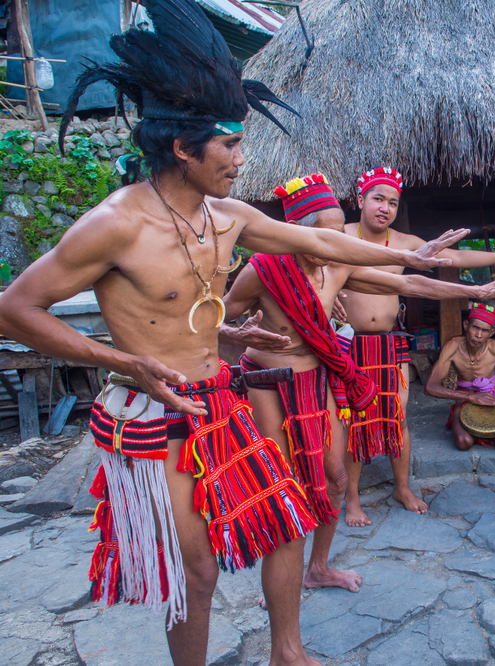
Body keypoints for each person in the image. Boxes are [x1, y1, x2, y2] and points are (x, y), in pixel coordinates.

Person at [0, 3, 462, 664]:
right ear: (185, 148)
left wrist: (409, 258)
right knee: (199, 573)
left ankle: (288, 651)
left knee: (287, 518)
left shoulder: (227, 216)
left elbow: (311, 238)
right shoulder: (115, 225)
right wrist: (123, 361)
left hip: (221, 399)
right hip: (152, 414)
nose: (243, 158)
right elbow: (14, 310)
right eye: (231, 144)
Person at [224, 174, 495, 593]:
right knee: (282, 484)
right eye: (322, 235)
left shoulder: (340, 265)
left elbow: (406, 283)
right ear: (294, 232)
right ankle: (279, 581)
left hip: (319, 376)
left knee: (335, 480)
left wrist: (477, 290)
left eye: (335, 235)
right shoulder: (264, 269)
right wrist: (233, 333)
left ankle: (319, 568)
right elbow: (218, 315)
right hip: (269, 382)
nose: (331, 243)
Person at [340, 167, 495, 527]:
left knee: (398, 419)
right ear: (360, 200)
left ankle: (402, 487)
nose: (385, 208)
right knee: (355, 422)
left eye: (392, 202)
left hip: (388, 344)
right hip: (347, 344)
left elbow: (458, 257)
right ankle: (353, 498)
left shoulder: (404, 242)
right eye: (377, 199)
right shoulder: (339, 237)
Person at [424, 302, 495, 451]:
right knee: (463, 442)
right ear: (466, 325)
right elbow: (430, 387)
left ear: (492, 332)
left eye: (485, 331)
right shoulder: (453, 346)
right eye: (475, 327)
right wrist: (470, 396)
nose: (479, 335)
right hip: (465, 395)